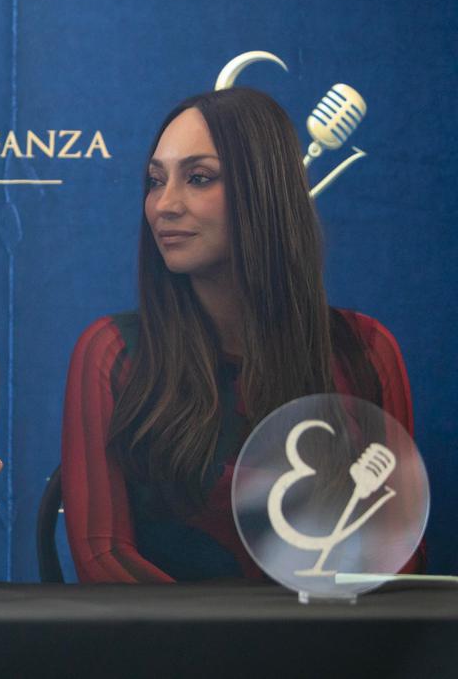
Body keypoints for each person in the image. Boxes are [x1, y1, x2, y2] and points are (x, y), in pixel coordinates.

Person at [60, 86, 419, 582]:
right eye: (155, 181)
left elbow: (396, 554)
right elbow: (104, 557)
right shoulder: (113, 352)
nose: (164, 204)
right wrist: (223, 631)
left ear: (265, 190)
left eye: (198, 178)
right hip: (164, 634)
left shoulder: (366, 351)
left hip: (326, 633)